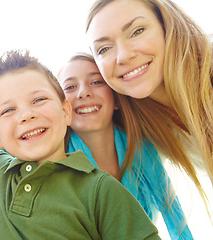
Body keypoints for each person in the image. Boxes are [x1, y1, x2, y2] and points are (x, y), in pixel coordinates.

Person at [0, 49, 161, 239]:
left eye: (38, 100)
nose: (27, 115)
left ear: (65, 111)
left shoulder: (101, 189)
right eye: (8, 110)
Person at [85, 0, 212, 211]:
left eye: (137, 31)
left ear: (166, 26)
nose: (123, 56)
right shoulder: (137, 123)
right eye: (104, 48)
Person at [58, 53, 192, 239]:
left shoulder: (143, 150)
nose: (83, 92)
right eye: (70, 87)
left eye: (96, 82)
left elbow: (174, 215)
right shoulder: (55, 165)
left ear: (117, 101)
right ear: (62, 108)